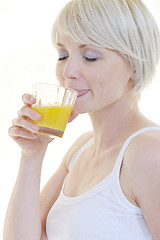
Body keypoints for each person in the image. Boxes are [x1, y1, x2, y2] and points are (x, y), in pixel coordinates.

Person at [3, 0, 160, 239]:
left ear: (135, 66)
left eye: (90, 57)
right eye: (63, 55)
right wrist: (32, 155)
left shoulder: (149, 152)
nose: (67, 72)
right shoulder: (81, 150)